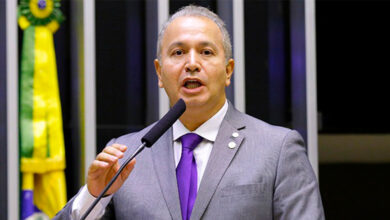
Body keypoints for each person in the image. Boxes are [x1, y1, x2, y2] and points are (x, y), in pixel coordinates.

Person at [54, 5, 324, 220]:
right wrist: (93, 196)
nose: (192, 64)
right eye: (179, 52)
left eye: (206, 52)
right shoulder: (125, 155)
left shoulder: (277, 150)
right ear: (159, 72)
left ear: (228, 70)